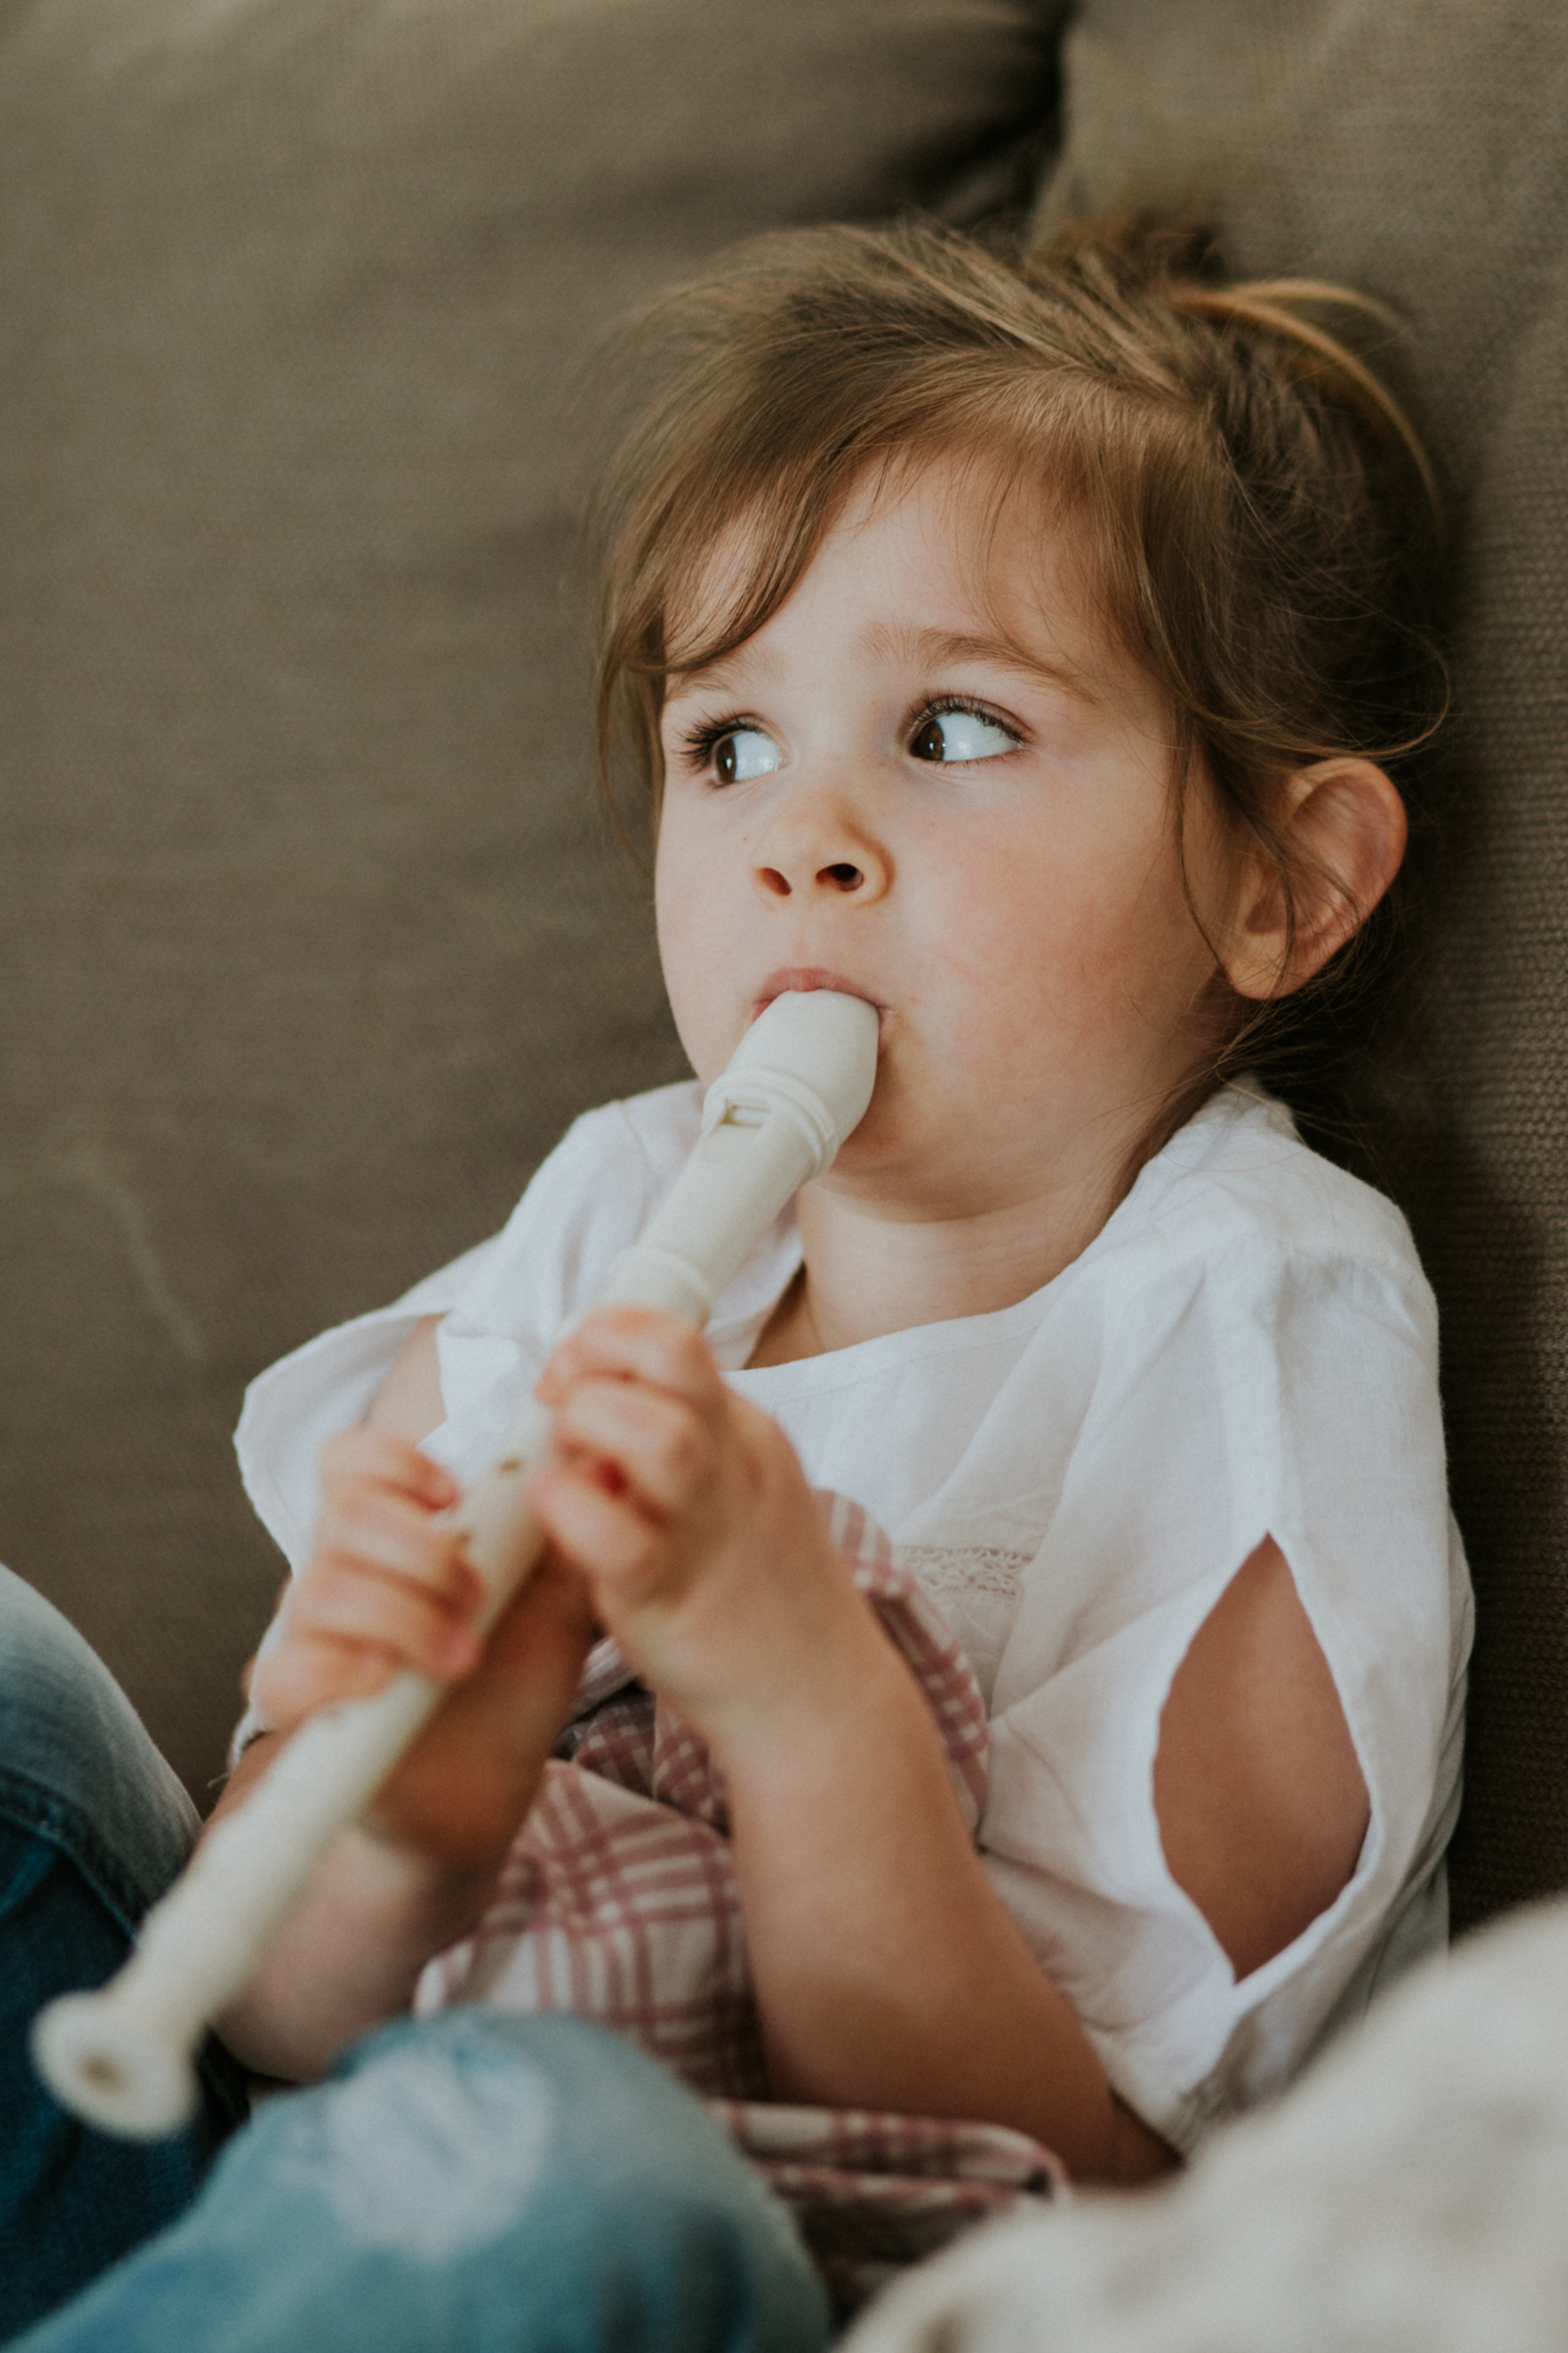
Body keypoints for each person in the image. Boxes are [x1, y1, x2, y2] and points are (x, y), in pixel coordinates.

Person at [4, 218, 1470, 2348]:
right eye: (730, 746)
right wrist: (414, 1808)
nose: (808, 839)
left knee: (549, 2146)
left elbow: (1090, 2191)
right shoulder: (610, 1218)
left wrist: (802, 1695)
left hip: (743, 2266)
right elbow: (291, 2028)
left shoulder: (1252, 1325)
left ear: (1281, 882)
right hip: (300, 2209)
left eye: (953, 732)